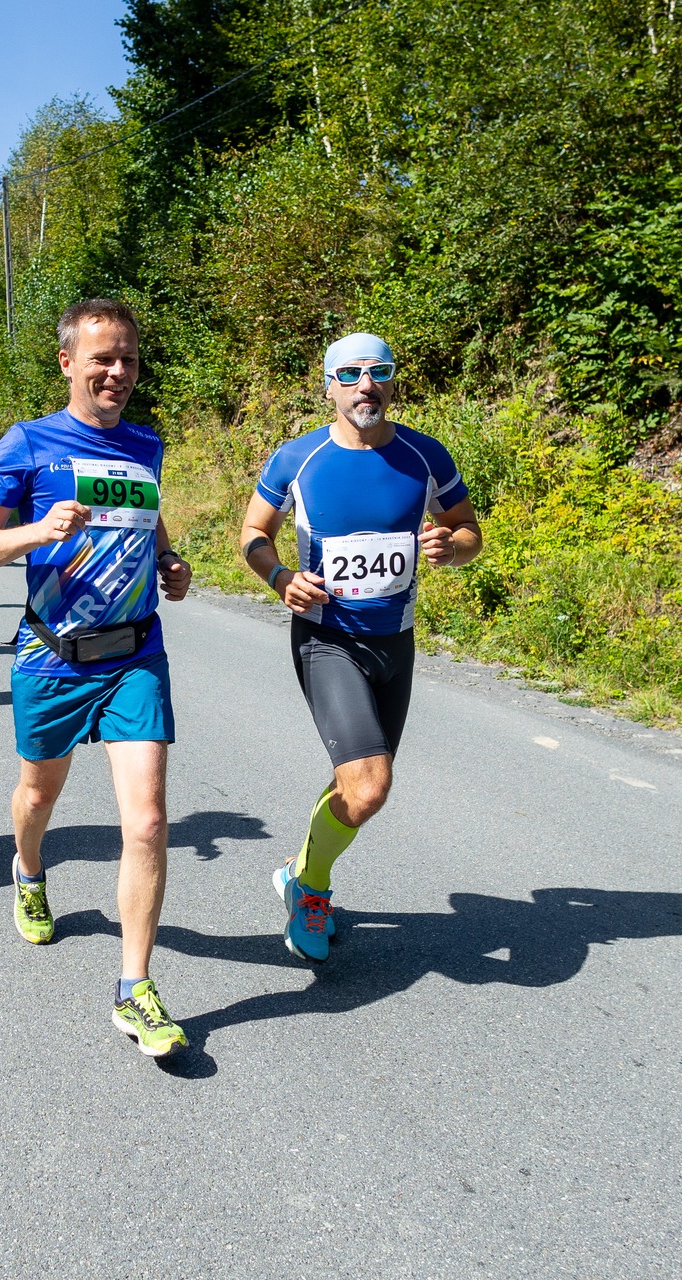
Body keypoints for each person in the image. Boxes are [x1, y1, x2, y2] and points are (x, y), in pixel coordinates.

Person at [0, 298, 195, 1059]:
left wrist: (168, 560)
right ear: (68, 363)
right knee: (38, 797)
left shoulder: (146, 444)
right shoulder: (28, 442)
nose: (117, 372)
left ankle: (134, 987)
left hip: (135, 656)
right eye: (102, 358)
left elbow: (150, 519)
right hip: (52, 655)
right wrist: (38, 529)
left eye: (128, 359)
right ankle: (29, 871)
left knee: (148, 823)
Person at [238, 333, 483, 963]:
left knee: (356, 781)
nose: (365, 385)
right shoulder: (299, 458)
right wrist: (280, 577)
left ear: (393, 382)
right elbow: (253, 533)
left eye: (379, 372)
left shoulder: (425, 455)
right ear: (329, 386)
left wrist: (452, 546)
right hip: (328, 640)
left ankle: (297, 872)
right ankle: (311, 887)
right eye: (349, 374)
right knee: (370, 785)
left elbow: (468, 530)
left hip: (395, 644)